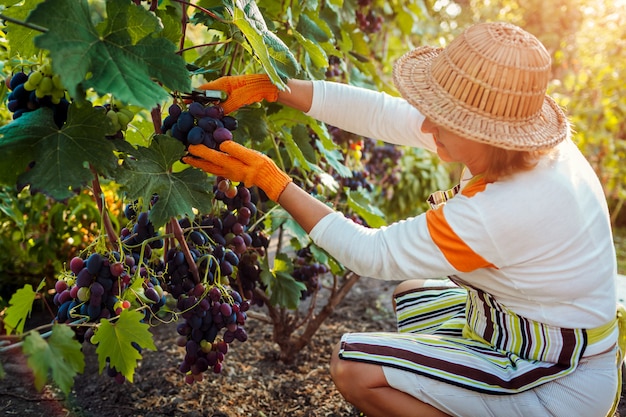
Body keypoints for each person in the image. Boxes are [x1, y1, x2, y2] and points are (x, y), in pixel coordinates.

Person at [183, 21, 623, 417]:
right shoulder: (521, 146)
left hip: (560, 377)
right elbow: (383, 114)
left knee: (354, 368)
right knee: (410, 293)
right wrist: (273, 87)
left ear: (482, 131)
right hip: (526, 327)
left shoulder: (504, 209)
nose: (428, 126)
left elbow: (369, 253)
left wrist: (269, 179)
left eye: (443, 119)